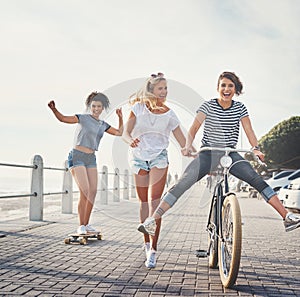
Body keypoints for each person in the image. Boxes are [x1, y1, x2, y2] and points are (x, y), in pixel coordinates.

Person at [138, 71, 300, 238]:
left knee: (256, 179)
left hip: (230, 153)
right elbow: (194, 128)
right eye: (223, 85)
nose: (226, 89)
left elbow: (249, 130)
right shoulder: (207, 106)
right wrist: (187, 146)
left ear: (235, 89)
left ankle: (286, 216)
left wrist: (256, 148)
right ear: (218, 88)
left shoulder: (240, 108)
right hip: (208, 153)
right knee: (182, 183)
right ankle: (152, 220)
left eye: (230, 86)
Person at [122, 72, 189, 268]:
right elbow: (125, 133)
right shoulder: (137, 108)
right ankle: (145, 244)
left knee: (155, 204)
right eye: (160, 88)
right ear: (151, 91)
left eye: (166, 88)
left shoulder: (169, 114)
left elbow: (183, 141)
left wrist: (193, 152)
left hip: (159, 157)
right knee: (143, 203)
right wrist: (130, 140)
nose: (164, 92)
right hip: (138, 158)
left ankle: (153, 250)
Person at [48, 92, 123, 235]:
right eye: (93, 106)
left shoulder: (103, 124)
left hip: (91, 158)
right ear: (90, 106)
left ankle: (87, 224)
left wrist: (120, 117)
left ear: (103, 108)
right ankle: (81, 225)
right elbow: (63, 119)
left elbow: (119, 132)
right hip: (77, 157)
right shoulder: (82, 118)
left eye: (98, 106)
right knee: (85, 191)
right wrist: (54, 109)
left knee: (93, 192)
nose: (95, 108)